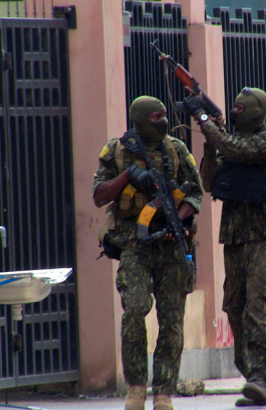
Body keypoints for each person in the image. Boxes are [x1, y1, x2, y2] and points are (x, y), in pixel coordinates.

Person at [93, 96, 203, 410]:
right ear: (141, 119)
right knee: (135, 310)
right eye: (156, 117)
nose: (163, 121)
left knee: (172, 321)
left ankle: (164, 392)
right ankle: (137, 388)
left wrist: (177, 221)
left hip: (170, 245)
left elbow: (194, 192)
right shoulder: (116, 150)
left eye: (164, 116)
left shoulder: (178, 149)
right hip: (134, 243)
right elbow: (99, 195)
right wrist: (128, 175)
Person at [184, 87, 266, 407]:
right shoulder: (227, 143)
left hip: (263, 234)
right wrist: (209, 139)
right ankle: (250, 374)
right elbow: (209, 182)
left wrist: (204, 119)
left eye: (240, 108)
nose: (235, 112)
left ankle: (261, 377)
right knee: (233, 305)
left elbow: (238, 150)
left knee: (257, 303)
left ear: (255, 111)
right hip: (234, 236)